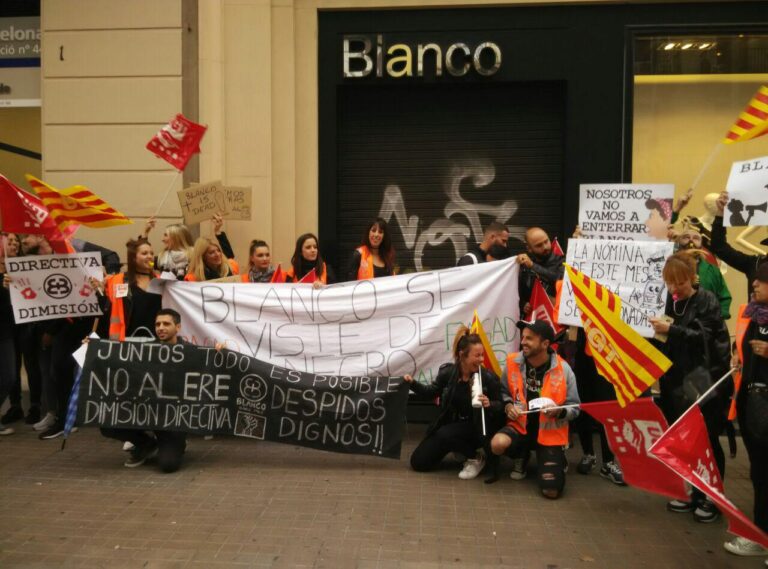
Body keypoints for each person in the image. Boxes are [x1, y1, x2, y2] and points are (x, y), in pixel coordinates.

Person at [649, 251, 732, 523]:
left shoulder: (706, 300)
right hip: (678, 382)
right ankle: (695, 492)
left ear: (692, 277)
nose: (674, 289)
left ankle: (713, 496)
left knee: (707, 440)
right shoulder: (672, 303)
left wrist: (670, 330)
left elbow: (705, 339)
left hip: (707, 381)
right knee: (686, 440)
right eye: (670, 283)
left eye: (680, 283)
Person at [488, 320, 580, 499]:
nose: (523, 342)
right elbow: (504, 392)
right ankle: (521, 456)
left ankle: (557, 457)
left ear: (545, 344)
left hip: (549, 433)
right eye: (523, 337)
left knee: (551, 492)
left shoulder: (564, 369)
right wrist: (508, 406)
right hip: (520, 427)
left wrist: (559, 411)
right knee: (497, 444)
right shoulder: (512, 362)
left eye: (529, 338)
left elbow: (575, 408)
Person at [405, 327, 503, 479]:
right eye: (477, 355)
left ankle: (476, 458)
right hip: (452, 426)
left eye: (482, 355)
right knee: (418, 462)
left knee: (445, 434)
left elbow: (501, 406)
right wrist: (412, 383)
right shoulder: (448, 373)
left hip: (479, 428)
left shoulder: (488, 378)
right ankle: (459, 449)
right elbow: (430, 392)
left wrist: (490, 404)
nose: (482, 360)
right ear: (462, 355)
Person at [99, 309, 189, 472]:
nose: (161, 328)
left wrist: (219, 353)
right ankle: (146, 444)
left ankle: (174, 443)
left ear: (178, 327)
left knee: (168, 465)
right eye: (157, 324)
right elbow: (114, 360)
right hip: (143, 413)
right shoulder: (142, 351)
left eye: (166, 324)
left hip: (171, 419)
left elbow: (208, 370)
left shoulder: (191, 352)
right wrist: (91, 348)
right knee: (107, 423)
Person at [724, 264, 768, 558]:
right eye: (756, 279)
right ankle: (760, 534)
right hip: (752, 402)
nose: (755, 284)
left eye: (763, 281)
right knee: (760, 474)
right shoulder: (753, 314)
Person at [94, 238, 161, 341]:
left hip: (156, 340)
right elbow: (105, 312)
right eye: (144, 253)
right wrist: (101, 292)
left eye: (151, 253)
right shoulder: (117, 280)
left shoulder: (161, 282)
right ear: (133, 258)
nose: (150, 257)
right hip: (125, 341)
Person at [710, 190, 768, 297]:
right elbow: (719, 247)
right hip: (755, 313)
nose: (755, 284)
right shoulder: (755, 263)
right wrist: (720, 215)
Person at [675, 228, 732, 319]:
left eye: (696, 238)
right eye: (686, 237)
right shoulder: (669, 267)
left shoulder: (712, 269)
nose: (691, 241)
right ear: (678, 243)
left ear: (701, 246)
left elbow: (724, 296)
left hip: (706, 323)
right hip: (676, 320)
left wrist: (719, 315)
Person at [517, 227, 564, 315]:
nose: (545, 247)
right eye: (539, 245)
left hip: (558, 317)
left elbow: (558, 278)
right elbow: (517, 293)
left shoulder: (561, 262)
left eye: (546, 241)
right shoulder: (525, 267)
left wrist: (533, 266)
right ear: (529, 248)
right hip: (534, 317)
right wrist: (522, 304)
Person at [0, 233, 18, 435]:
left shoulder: (15, 272)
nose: (12, 246)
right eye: (7, 243)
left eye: (14, 243)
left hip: (6, 333)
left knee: (8, 377)